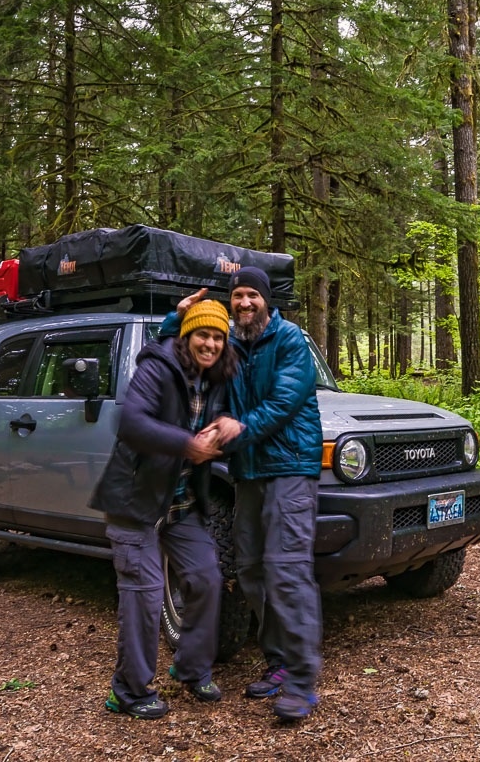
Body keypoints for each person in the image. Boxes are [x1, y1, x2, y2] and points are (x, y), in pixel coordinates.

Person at [168, 267, 324, 722]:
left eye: (252, 294)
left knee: (288, 570)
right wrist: (175, 321)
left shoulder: (289, 340)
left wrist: (237, 428)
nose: (244, 302)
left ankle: (301, 682)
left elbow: (283, 403)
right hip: (248, 473)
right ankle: (278, 662)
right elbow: (182, 360)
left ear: (267, 300)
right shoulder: (231, 345)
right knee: (253, 569)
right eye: (237, 295)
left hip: (289, 468)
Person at [88, 299, 235, 720]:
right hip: (136, 502)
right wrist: (188, 445)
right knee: (146, 594)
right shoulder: (158, 367)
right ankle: (127, 691)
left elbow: (224, 422)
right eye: (202, 334)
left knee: (206, 578)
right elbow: (131, 423)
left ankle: (191, 667)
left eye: (218, 337)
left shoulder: (216, 378)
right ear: (186, 336)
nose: (210, 344)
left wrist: (230, 425)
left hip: (181, 503)